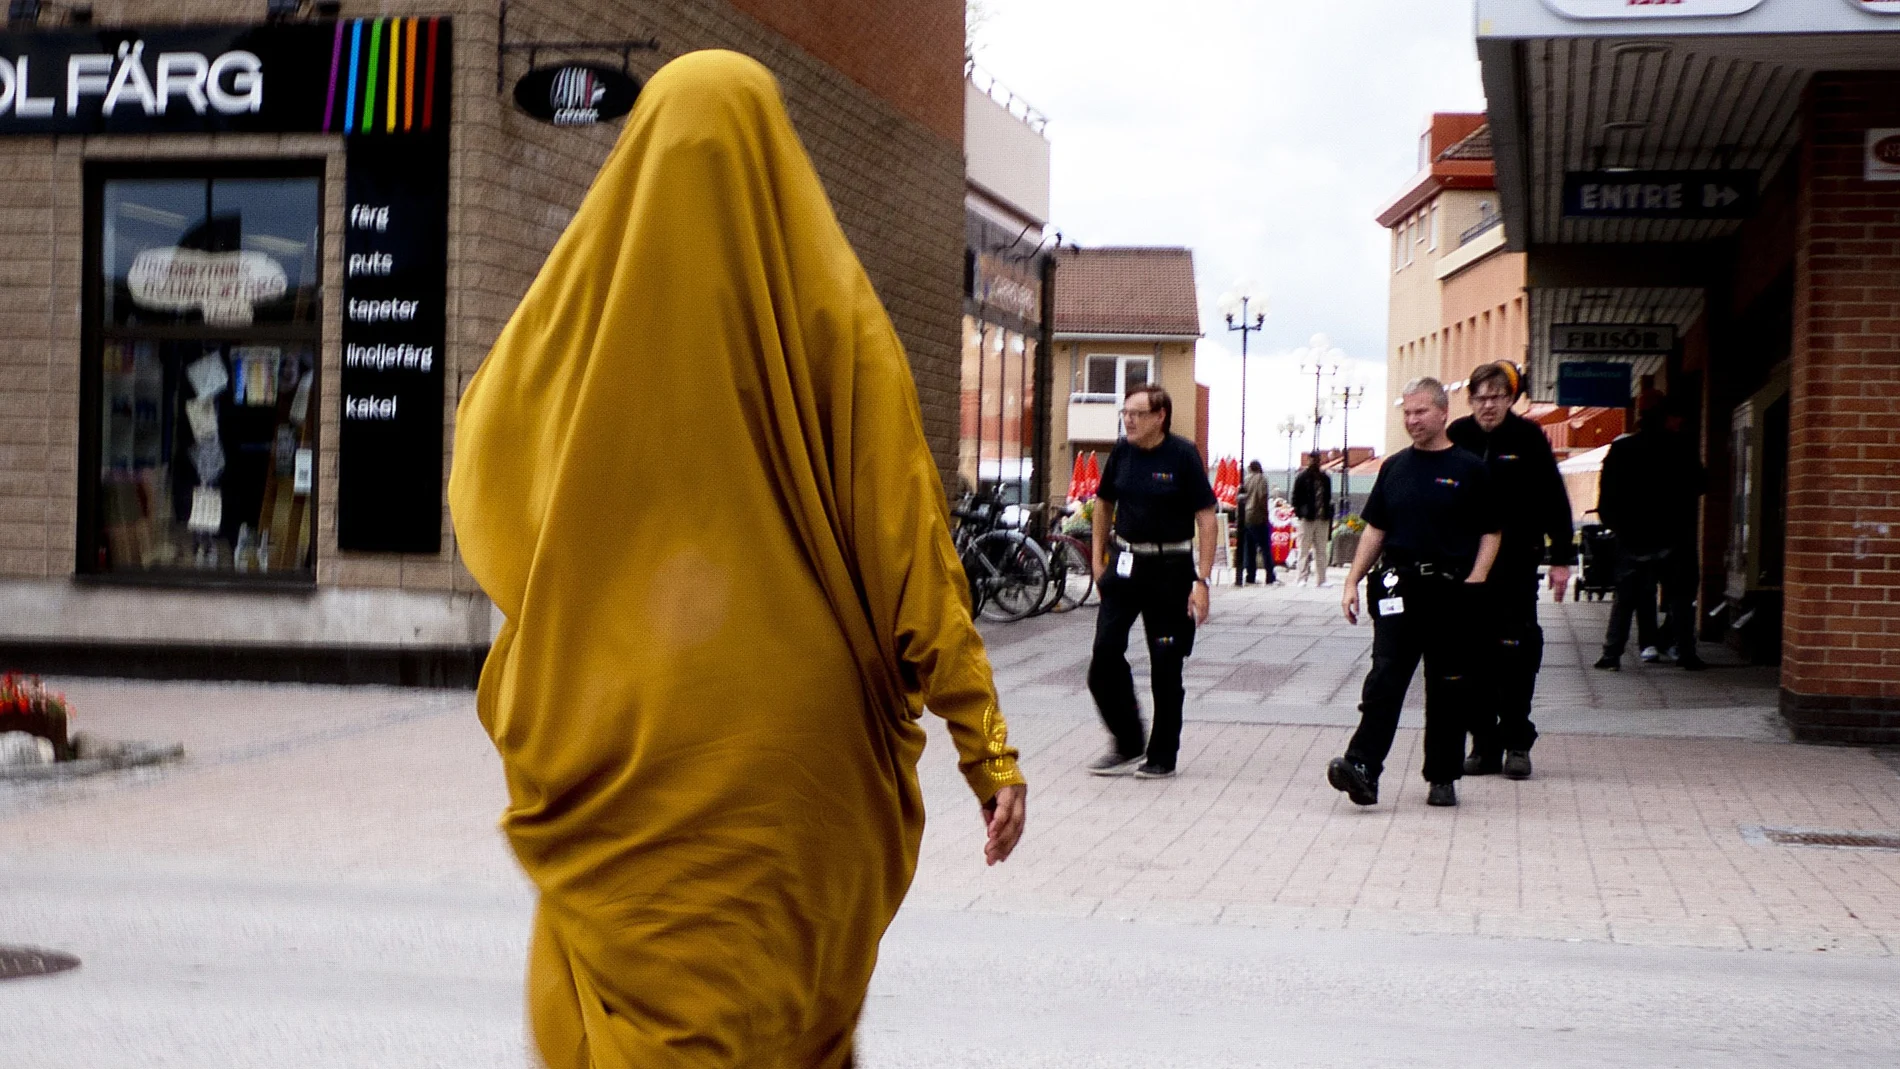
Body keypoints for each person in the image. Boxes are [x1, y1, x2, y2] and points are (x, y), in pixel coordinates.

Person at [446, 52, 1027, 1069]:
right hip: (803, 755)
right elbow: (911, 555)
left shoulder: (578, 312)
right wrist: (985, 745)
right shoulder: (839, 320)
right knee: (785, 1013)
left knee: (645, 1017)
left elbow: (491, 457)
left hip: (622, 736)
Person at [1330, 378, 1502, 808]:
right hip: (1399, 588)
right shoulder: (1395, 467)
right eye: (1406, 413)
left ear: (1443, 412)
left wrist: (1477, 580)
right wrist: (1352, 580)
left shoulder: (1469, 468)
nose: (1412, 420)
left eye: (1420, 412)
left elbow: (1491, 531)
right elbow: (1376, 529)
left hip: (1451, 590)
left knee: (1447, 686)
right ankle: (1362, 766)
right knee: (1384, 678)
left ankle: (1442, 776)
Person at [1448, 361, 1576, 781]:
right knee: (1472, 657)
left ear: (1510, 399)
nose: (1488, 405)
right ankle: (1482, 744)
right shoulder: (1458, 437)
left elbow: (1555, 500)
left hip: (1516, 567)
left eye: (1496, 397)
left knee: (1516, 654)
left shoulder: (1528, 439)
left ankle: (1517, 743)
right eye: (1480, 398)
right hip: (1466, 571)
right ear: (1470, 401)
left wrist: (1561, 558)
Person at [1087, 384, 1219, 779]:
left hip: (1170, 570)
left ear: (1160, 417)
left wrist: (1203, 581)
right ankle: (1127, 741)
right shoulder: (1122, 452)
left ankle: (1162, 755)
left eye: (1137, 413)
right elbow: (1103, 502)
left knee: (1165, 664)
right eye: (1125, 412)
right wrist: (1097, 559)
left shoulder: (1182, 455)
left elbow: (1207, 517)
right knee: (1103, 657)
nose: (1128, 419)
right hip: (1126, 565)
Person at [1594, 393, 1708, 671]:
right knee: (1680, 599)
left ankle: (1611, 654)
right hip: (1674, 535)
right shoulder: (1682, 449)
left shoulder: (1622, 450)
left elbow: (1606, 498)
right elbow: (1701, 484)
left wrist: (1618, 526)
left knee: (1626, 599)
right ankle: (1686, 653)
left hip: (1632, 536)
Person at [1292, 452, 1334, 586]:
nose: (1315, 462)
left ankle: (1321, 579)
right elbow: (1295, 498)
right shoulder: (1302, 478)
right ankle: (1301, 578)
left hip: (1322, 517)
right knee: (1303, 549)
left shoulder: (1325, 478)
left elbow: (1328, 498)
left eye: (1317, 460)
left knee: (1321, 550)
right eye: (1313, 460)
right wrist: (1300, 513)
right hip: (1307, 518)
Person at [1238, 460, 1275, 585]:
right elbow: (1262, 497)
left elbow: (1239, 498)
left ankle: (1250, 576)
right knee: (1265, 548)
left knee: (1250, 549)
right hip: (1258, 517)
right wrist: (1265, 514)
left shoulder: (1245, 480)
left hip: (1245, 518)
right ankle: (1270, 575)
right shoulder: (1262, 479)